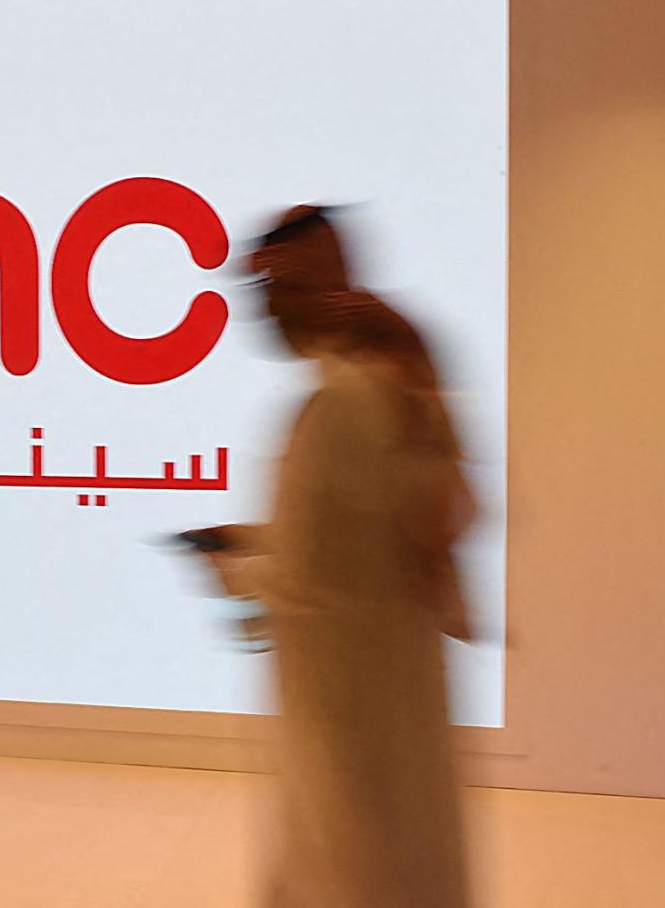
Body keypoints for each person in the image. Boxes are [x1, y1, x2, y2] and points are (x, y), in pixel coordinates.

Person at [181, 205, 475, 908]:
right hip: (378, 689)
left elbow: (306, 578)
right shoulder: (393, 388)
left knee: (347, 868)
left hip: (344, 705)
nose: (261, 308)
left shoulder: (341, 403)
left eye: (274, 286)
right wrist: (261, 542)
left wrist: (232, 566)